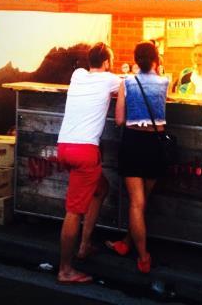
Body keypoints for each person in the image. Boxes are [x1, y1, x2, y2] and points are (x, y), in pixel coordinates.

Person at [56, 42, 121, 284]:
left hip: (64, 147)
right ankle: (65, 269)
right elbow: (129, 83)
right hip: (85, 152)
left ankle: (84, 245)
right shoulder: (110, 80)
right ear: (107, 63)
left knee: (101, 188)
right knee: (73, 212)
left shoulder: (78, 74)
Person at [106, 41, 169, 273]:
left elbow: (120, 120)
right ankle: (126, 244)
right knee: (142, 203)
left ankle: (142, 257)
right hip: (155, 146)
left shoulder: (128, 82)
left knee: (136, 203)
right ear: (156, 59)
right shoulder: (165, 82)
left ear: (135, 59)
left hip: (133, 143)